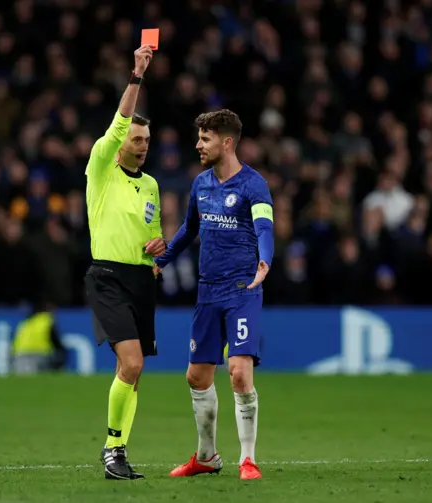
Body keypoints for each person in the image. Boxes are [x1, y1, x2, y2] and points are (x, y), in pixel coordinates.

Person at [154, 109, 274, 480]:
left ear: (227, 142)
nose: (198, 145)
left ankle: (248, 459)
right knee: (197, 376)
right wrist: (164, 260)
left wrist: (265, 260)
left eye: (205, 139)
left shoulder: (254, 185)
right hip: (208, 291)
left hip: (242, 289)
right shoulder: (201, 184)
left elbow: (265, 228)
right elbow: (190, 227)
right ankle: (207, 456)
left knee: (239, 372)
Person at [84, 44, 166, 481]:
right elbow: (118, 123)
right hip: (108, 277)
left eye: (147, 140)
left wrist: (159, 252)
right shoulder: (101, 167)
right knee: (131, 364)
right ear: (120, 144)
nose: (142, 146)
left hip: (140, 279)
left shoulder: (151, 185)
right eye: (136, 139)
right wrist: (137, 74)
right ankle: (113, 448)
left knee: (132, 372)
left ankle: (117, 451)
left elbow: (152, 236)